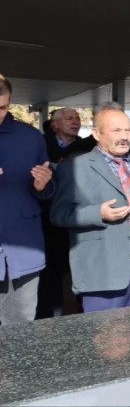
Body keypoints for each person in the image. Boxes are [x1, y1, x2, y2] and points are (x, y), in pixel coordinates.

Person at [51, 108, 130, 312]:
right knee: (104, 331)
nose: (124, 136)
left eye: (127, 130)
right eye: (116, 130)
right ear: (96, 133)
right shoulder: (76, 167)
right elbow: (59, 214)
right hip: (103, 271)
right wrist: (98, 213)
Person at [0, 74, 55, 324]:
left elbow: (48, 191)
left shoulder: (30, 137)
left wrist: (42, 186)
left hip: (23, 251)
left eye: (2, 108)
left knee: (21, 330)